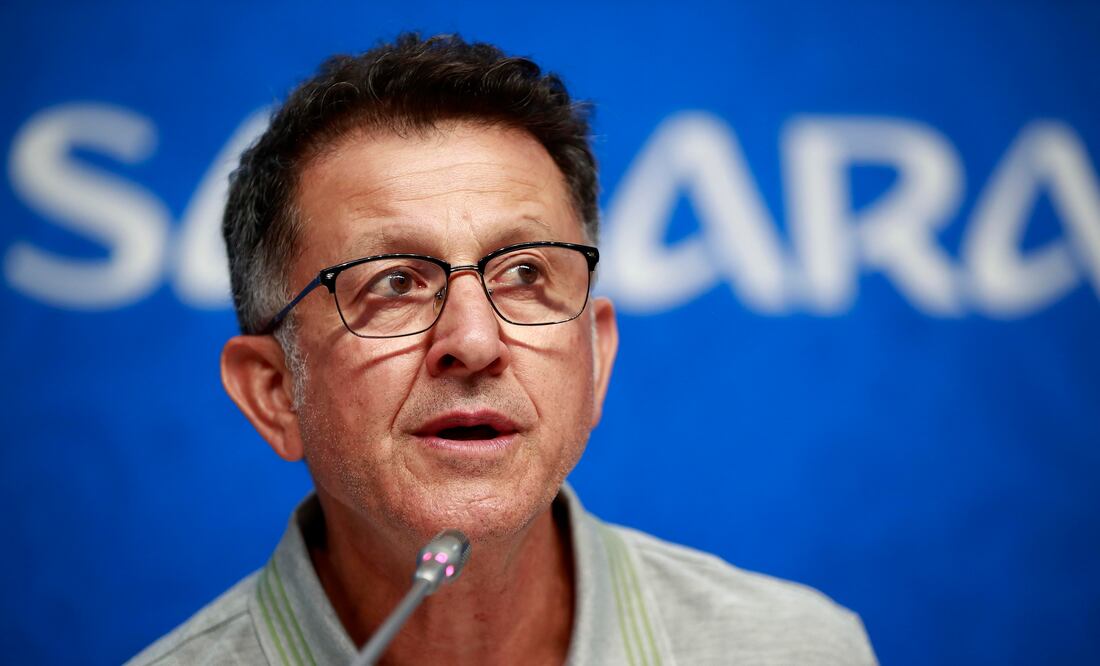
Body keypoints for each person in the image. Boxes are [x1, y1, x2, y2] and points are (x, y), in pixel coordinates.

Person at [129, 33, 877, 665]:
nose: (474, 341)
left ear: (595, 358)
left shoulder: (803, 650)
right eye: (393, 283)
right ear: (273, 392)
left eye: (524, 274)